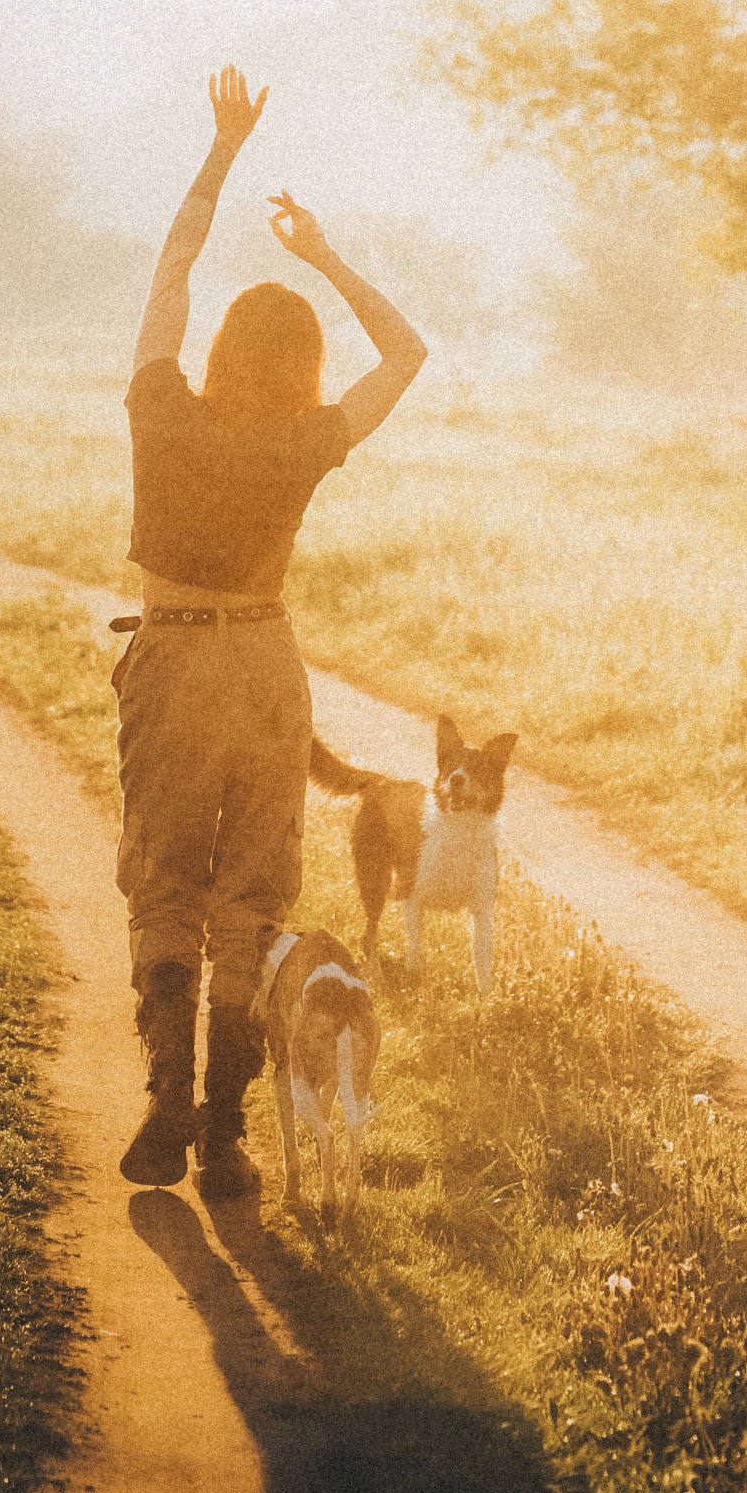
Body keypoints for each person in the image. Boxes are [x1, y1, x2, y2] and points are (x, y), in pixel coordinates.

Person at [115, 63, 426, 1196]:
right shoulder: (302, 443)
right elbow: (407, 356)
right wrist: (324, 255)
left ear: (213, 354)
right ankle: (229, 1128)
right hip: (263, 661)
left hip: (171, 656)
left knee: (165, 883)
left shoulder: (160, 410)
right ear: (298, 371)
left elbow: (172, 265)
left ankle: (164, 1092)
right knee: (252, 894)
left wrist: (222, 150)